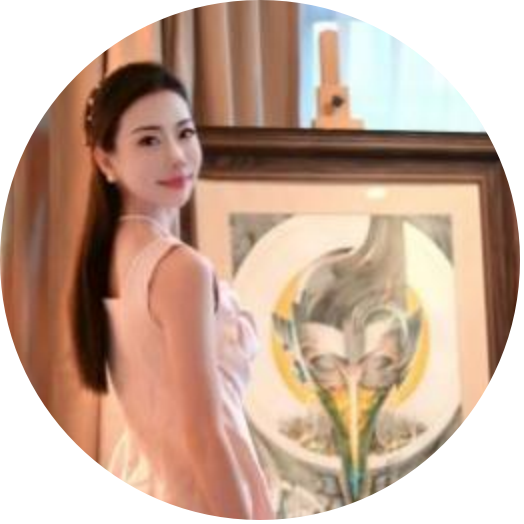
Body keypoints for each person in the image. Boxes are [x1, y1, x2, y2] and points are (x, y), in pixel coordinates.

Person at [71, 61, 276, 519]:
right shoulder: (179, 270)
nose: (178, 156)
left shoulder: (109, 253)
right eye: (149, 140)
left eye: (184, 133)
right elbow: (204, 434)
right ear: (105, 161)